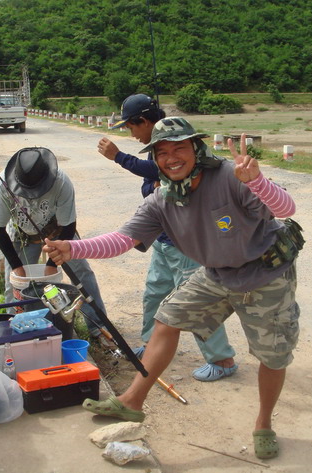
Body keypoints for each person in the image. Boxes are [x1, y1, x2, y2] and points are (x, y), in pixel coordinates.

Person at [43, 117, 303, 460]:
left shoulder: (230, 175)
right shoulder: (161, 199)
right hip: (218, 274)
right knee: (167, 318)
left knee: (272, 356)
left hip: (265, 275)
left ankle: (263, 423)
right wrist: (73, 248)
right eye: (161, 152)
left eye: (179, 147)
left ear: (195, 148)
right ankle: (132, 402)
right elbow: (122, 240)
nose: (171, 158)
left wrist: (256, 181)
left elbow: (285, 208)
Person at [97, 94, 237, 381]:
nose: (130, 133)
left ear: (144, 122)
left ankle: (222, 360)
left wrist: (118, 156)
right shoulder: (155, 148)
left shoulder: (175, 147)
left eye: (130, 127)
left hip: (187, 242)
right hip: (164, 239)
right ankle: (151, 346)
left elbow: (158, 170)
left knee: (196, 303)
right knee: (155, 293)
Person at [0, 147, 110, 343]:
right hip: (22, 234)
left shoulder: (61, 182)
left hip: (57, 232)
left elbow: (68, 225)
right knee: (13, 283)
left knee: (82, 272)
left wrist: (52, 264)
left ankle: (98, 327)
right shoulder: (2, 184)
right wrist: (17, 266)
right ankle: (13, 328)